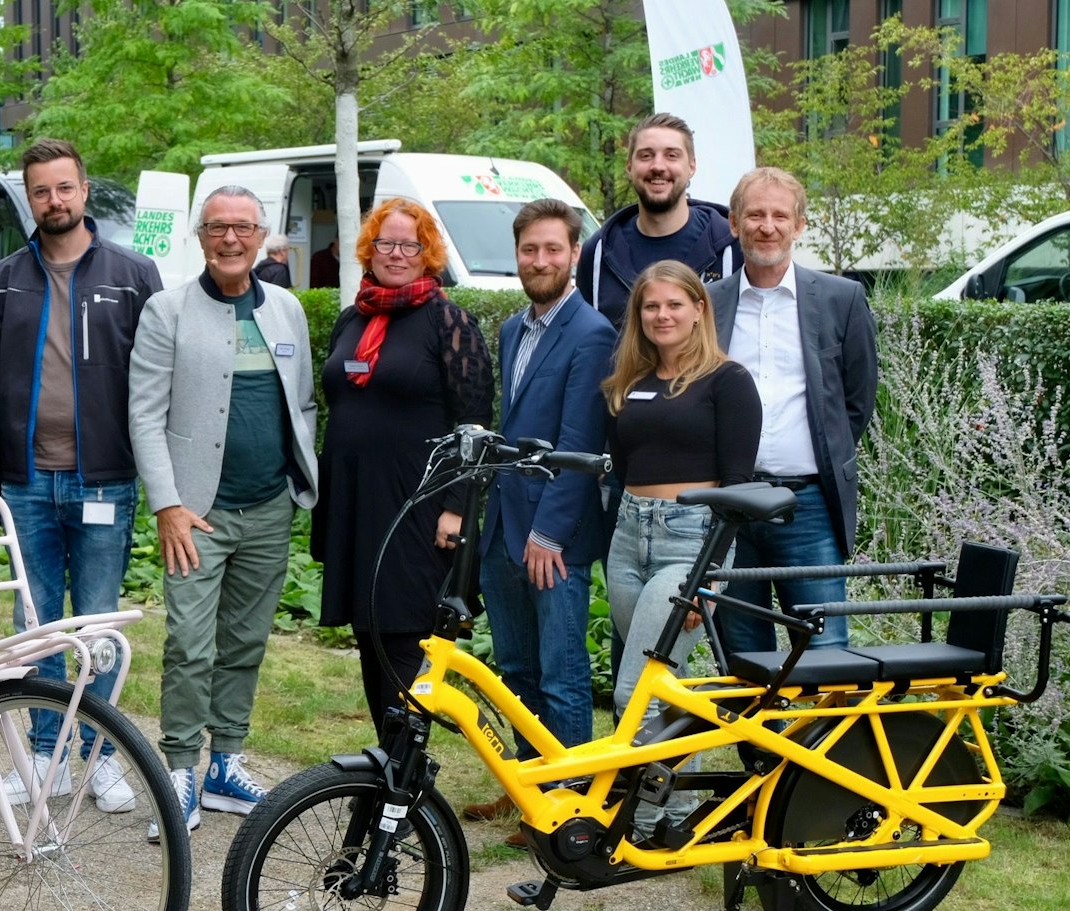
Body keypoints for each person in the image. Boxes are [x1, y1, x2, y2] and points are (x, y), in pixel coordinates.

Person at [129, 186, 319, 834]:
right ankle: (181, 769)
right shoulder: (167, 310)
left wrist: (295, 483)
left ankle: (225, 764)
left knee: (245, 641)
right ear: (201, 236)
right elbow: (145, 415)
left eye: (242, 227)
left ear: (262, 235)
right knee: (188, 644)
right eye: (217, 227)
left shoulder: (287, 309)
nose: (230, 239)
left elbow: (303, 403)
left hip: (268, 509)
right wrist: (168, 504)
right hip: (195, 515)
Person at [0, 138, 161, 810]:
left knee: (98, 627)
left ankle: (101, 756)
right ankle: (46, 755)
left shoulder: (134, 274)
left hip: (104, 480)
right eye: (41, 191)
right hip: (25, 482)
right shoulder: (3, 279)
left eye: (64, 187)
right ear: (29, 199)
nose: (53, 200)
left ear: (84, 191)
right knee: (36, 624)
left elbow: (154, 375)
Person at [466, 199, 617, 839]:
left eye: (553, 248)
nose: (540, 260)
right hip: (505, 525)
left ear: (574, 253)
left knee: (561, 675)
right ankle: (528, 789)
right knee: (516, 672)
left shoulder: (592, 333)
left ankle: (568, 805)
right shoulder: (512, 330)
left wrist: (548, 533)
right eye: (530, 249)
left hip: (552, 537)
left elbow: (579, 443)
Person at [315, 198, 494, 739]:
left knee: (404, 639)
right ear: (370, 250)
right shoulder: (354, 319)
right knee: (369, 637)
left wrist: (456, 507)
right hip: (356, 506)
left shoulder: (448, 320)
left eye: (409, 245)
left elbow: (475, 424)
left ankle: (405, 774)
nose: (396, 254)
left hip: (416, 510)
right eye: (385, 243)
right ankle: (387, 767)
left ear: (427, 253)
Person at [709, 166, 879, 656]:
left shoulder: (842, 299)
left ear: (799, 225)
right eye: (755, 215)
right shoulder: (708, 303)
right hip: (730, 507)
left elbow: (857, 401)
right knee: (745, 658)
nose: (768, 226)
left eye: (780, 216)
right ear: (734, 223)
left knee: (827, 654)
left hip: (808, 507)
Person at [601, 260, 760, 740]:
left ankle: (641, 794)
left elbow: (737, 485)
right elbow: (623, 469)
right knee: (664, 683)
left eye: (674, 304)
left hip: (691, 542)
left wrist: (707, 575)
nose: (662, 315)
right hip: (628, 540)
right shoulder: (629, 383)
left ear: (698, 309)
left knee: (636, 693)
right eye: (651, 306)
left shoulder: (728, 380)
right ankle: (678, 788)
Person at [576, 113, 741, 333]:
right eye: (646, 156)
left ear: (692, 166)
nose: (658, 166)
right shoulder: (598, 253)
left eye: (671, 155)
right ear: (629, 167)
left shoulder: (732, 250)